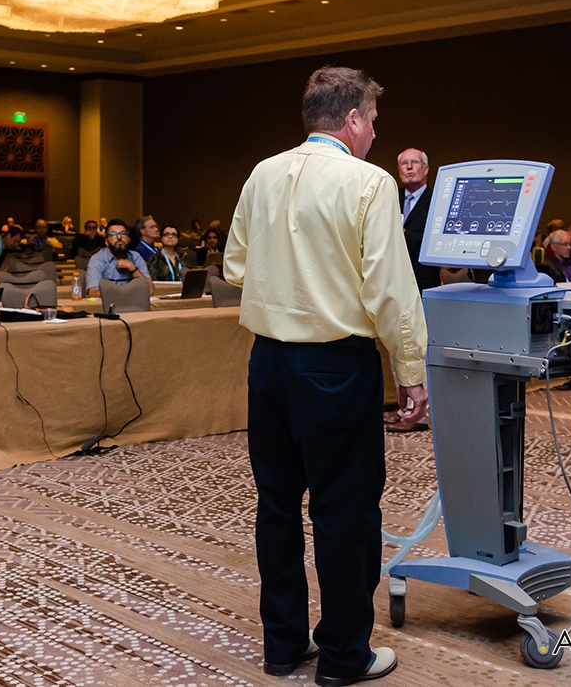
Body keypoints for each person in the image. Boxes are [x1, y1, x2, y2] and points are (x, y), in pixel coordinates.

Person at [225, 66, 427, 685]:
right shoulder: (370, 182)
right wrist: (411, 372)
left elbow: (235, 264)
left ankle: (283, 646)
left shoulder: (262, 172)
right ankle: (344, 656)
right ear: (352, 120)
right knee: (345, 512)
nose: (373, 134)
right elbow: (390, 291)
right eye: (372, 121)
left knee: (277, 508)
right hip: (336, 366)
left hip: (268, 365)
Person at [397, 148, 441, 292]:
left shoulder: (438, 200)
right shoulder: (388, 197)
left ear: (426, 169)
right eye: (404, 163)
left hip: (423, 282)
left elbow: (435, 243)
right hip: (393, 281)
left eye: (414, 162)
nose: (409, 167)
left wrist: (400, 234)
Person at [85, 219, 152, 297]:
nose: (119, 237)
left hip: (134, 306)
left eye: (123, 233)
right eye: (113, 234)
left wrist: (132, 268)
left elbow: (150, 290)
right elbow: (93, 293)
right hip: (108, 306)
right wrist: (123, 296)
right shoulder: (97, 259)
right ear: (106, 242)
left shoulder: (136, 257)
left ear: (129, 239)